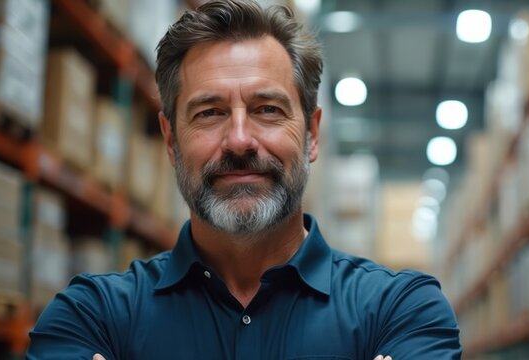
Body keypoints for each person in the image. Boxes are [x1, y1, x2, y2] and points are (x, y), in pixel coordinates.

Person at [26, 1, 462, 359]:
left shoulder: (401, 313)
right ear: (171, 141)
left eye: (267, 110)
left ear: (312, 135)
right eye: (209, 112)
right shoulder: (89, 318)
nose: (239, 140)